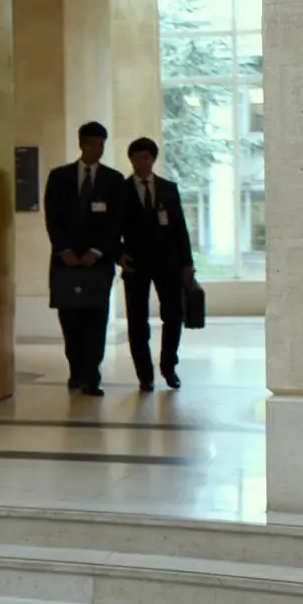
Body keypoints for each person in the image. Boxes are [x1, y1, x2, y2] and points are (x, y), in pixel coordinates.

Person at [43, 121, 127, 397]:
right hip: (65, 262)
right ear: (82, 144)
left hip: (97, 263)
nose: (99, 149)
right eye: (94, 144)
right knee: (70, 319)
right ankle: (76, 370)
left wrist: (98, 251)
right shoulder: (60, 177)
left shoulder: (113, 180)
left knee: (96, 318)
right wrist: (63, 249)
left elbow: (116, 222)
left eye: (102, 144)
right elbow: (52, 217)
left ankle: (92, 374)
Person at [118, 137, 193, 391]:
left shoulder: (168, 189)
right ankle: (144, 374)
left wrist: (187, 263)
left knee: (173, 315)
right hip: (135, 264)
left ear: (153, 159)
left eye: (146, 158)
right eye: (136, 159)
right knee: (137, 320)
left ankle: (169, 366)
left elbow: (180, 227)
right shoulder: (122, 190)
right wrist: (119, 254)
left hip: (167, 262)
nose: (141, 163)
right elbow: (111, 228)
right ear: (131, 160)